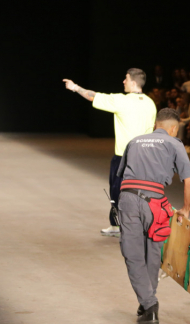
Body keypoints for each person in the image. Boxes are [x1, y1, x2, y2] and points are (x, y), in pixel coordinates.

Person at [115, 108, 190, 324]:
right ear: (174, 128)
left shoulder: (134, 141)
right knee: (152, 253)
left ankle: (148, 304)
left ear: (155, 125)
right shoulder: (174, 143)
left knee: (133, 253)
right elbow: (189, 179)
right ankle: (148, 303)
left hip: (128, 197)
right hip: (155, 204)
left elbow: (121, 176)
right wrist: (186, 209)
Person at [63, 69, 157, 237]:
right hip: (144, 157)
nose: (123, 81)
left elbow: (93, 96)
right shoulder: (150, 103)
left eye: (126, 79)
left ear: (133, 82)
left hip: (124, 157)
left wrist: (75, 87)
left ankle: (118, 226)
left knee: (117, 192)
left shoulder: (121, 100)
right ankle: (137, 226)